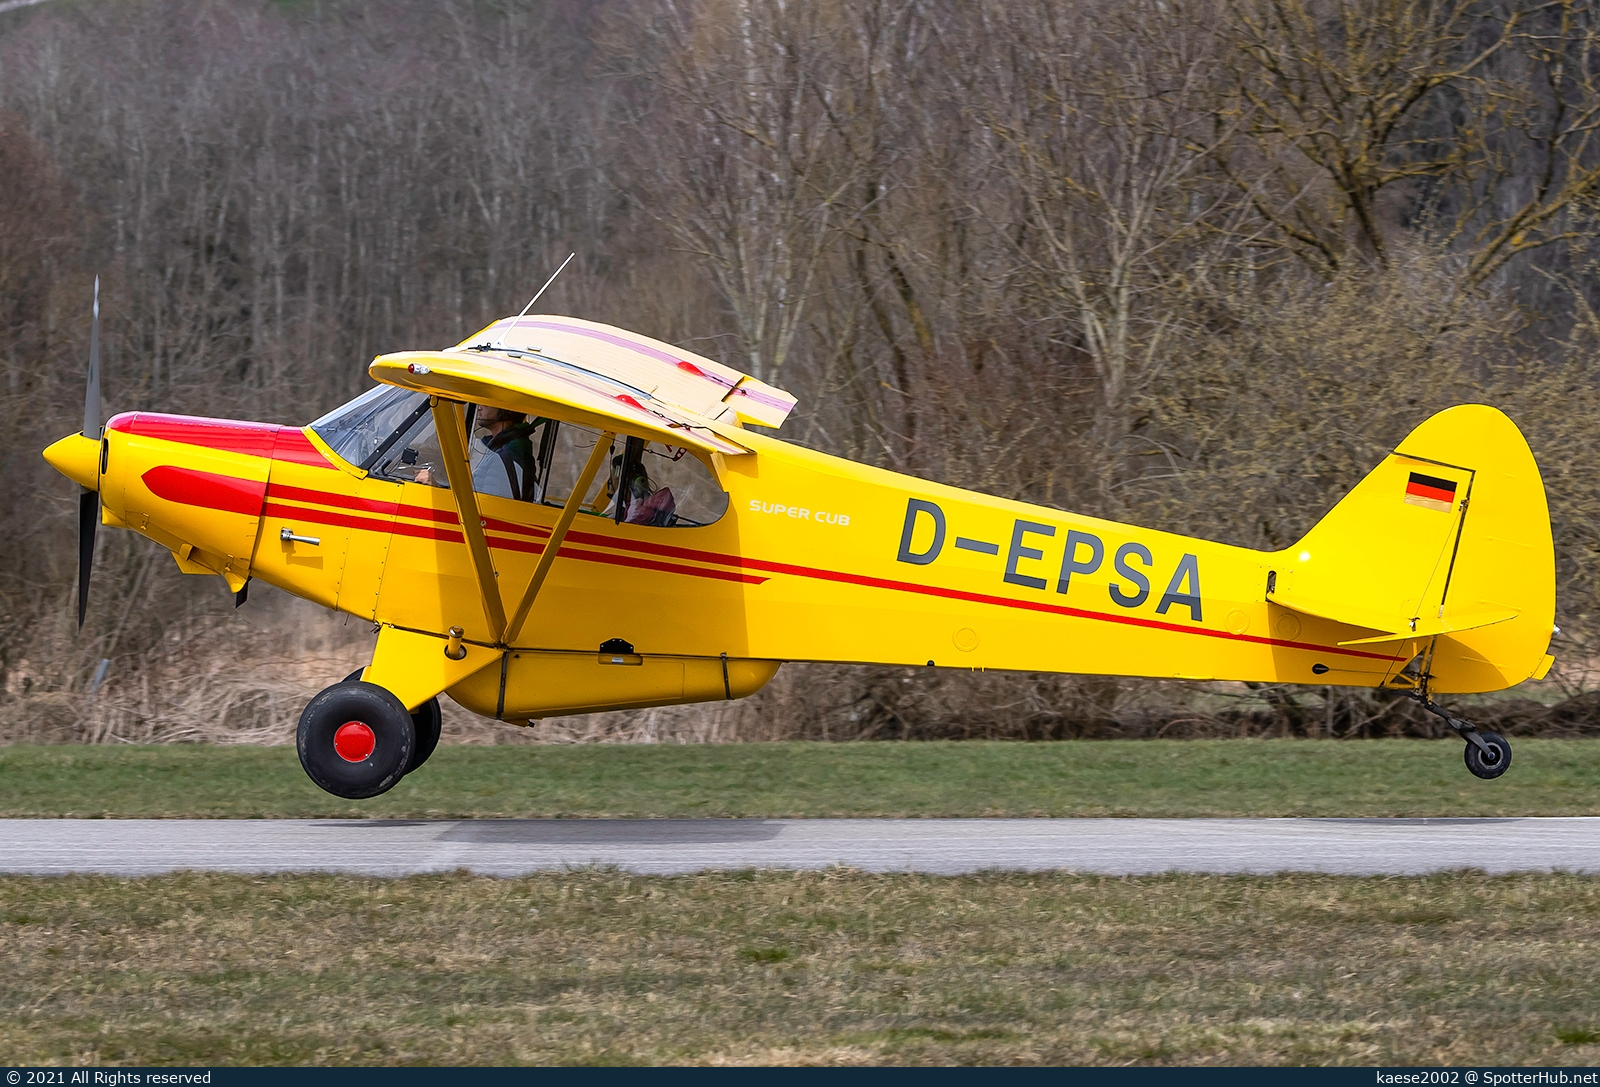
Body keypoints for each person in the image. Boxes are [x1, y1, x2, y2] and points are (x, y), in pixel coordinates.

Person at [414, 405, 540, 500]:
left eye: (485, 403)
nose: (479, 408)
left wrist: (437, 488)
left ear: (506, 410)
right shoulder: (497, 446)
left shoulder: (510, 451)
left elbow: (487, 505)